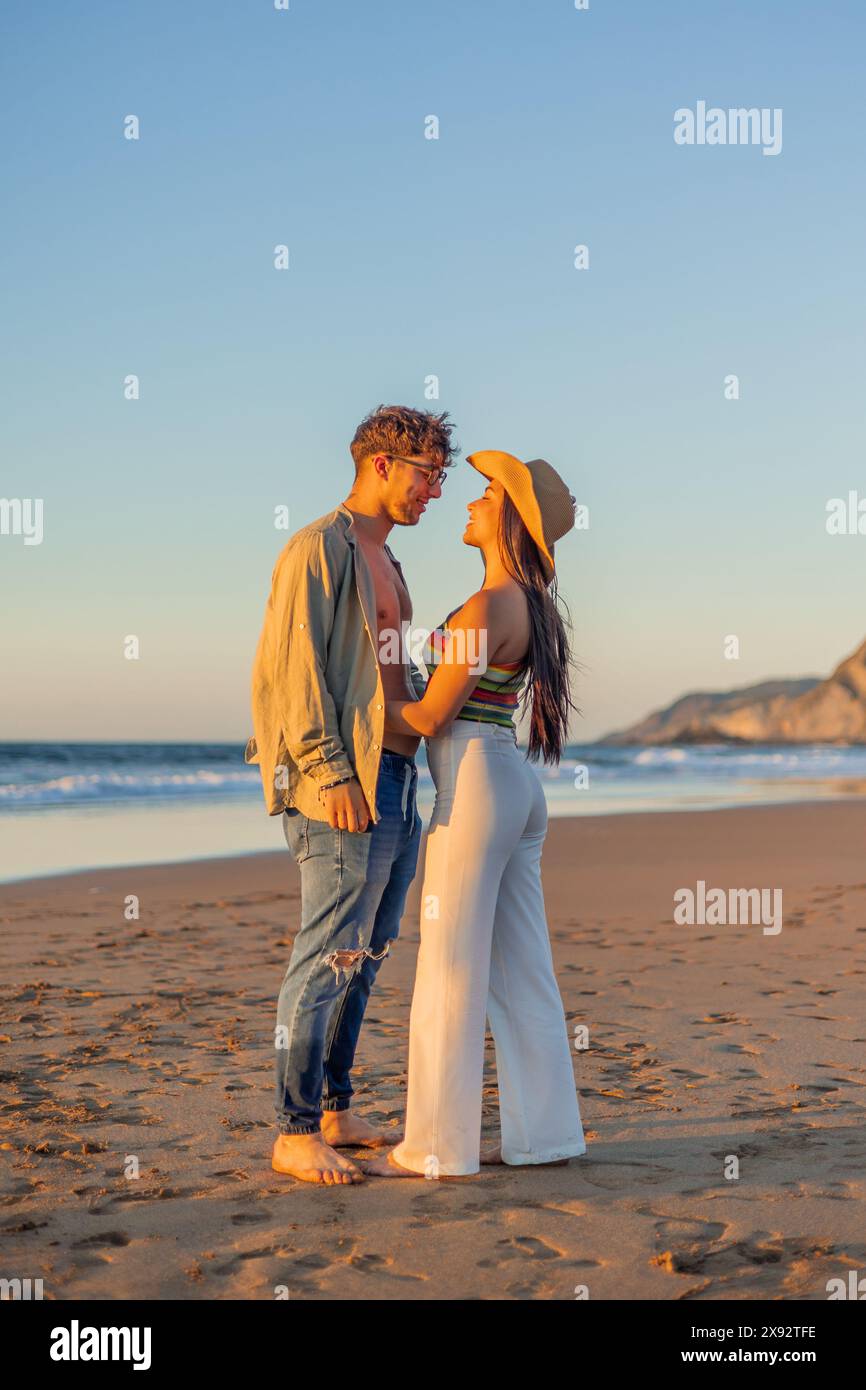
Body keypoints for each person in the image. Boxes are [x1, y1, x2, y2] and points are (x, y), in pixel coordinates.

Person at [245, 405, 458, 1185]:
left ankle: (334, 1107)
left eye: (440, 476)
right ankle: (293, 1130)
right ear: (380, 463)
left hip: (397, 775)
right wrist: (330, 772)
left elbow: (388, 677)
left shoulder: (391, 561)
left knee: (366, 956)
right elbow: (294, 675)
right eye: (426, 473)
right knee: (327, 953)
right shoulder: (318, 550)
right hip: (344, 782)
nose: (434, 490)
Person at [365, 450, 587, 1178]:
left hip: (476, 788)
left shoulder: (492, 604)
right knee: (523, 971)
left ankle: (436, 1145)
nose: (469, 500)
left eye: (488, 493)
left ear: (512, 520)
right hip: (512, 785)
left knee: (450, 966)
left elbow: (430, 714)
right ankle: (545, 1136)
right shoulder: (527, 606)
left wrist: (356, 707)